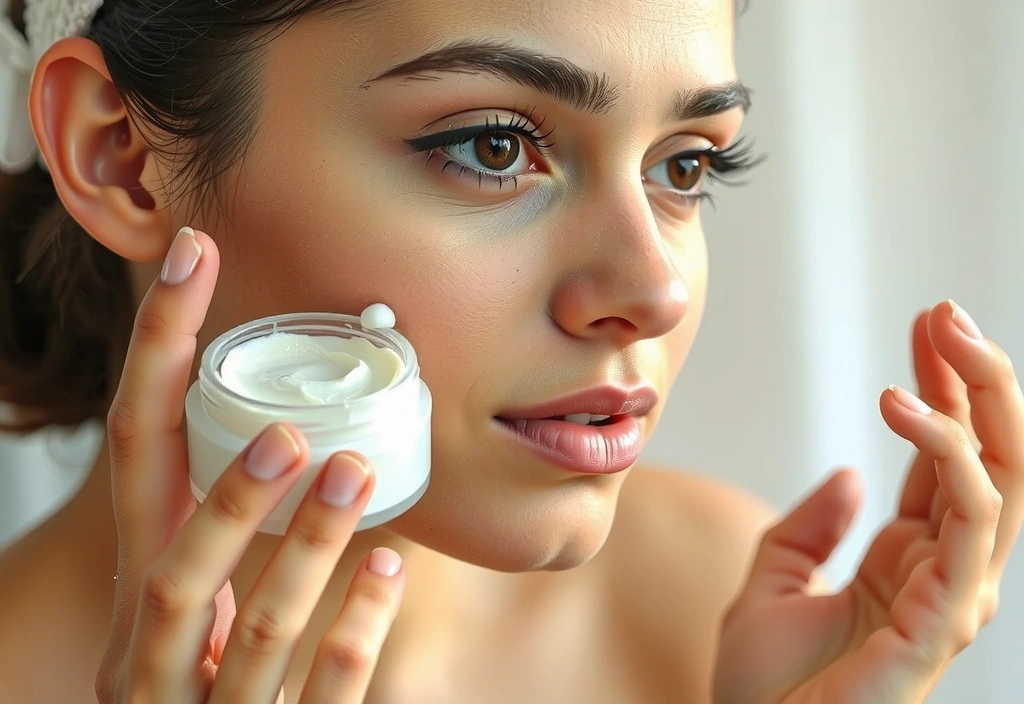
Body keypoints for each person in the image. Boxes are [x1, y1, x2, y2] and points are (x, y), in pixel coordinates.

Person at [0, 0, 1020, 702]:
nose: (652, 291)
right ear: (122, 157)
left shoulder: (712, 600)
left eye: (685, 163)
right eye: (491, 145)